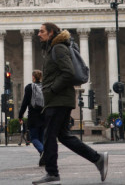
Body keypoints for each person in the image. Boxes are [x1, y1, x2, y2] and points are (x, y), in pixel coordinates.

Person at [33, 22, 108, 185]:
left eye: (42, 31)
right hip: (59, 99)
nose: (39, 34)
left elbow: (68, 72)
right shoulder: (53, 48)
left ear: (51, 33)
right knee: (64, 136)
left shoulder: (58, 48)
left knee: (49, 136)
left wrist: (52, 90)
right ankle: (98, 158)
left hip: (58, 99)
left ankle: (52, 174)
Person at [19, 70, 45, 163]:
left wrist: (20, 115)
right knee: (41, 138)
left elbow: (24, 103)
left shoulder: (29, 87)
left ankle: (43, 152)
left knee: (34, 138)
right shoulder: (44, 87)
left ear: (33, 77)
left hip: (33, 116)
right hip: (43, 115)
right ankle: (43, 159)